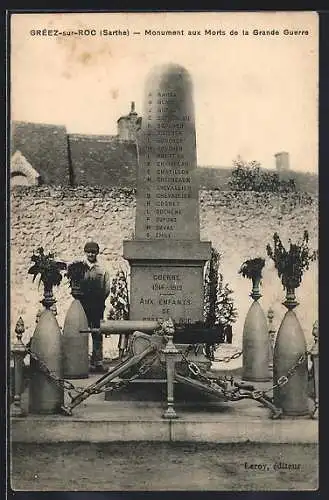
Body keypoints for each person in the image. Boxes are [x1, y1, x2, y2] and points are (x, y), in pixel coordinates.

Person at [79, 241, 111, 373]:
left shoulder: (102, 269)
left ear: (97, 253)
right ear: (85, 252)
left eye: (93, 252)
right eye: (89, 252)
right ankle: (81, 362)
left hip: (97, 305)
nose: (91, 254)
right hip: (83, 304)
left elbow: (107, 288)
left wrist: (99, 300)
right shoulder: (79, 268)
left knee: (97, 332)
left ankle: (97, 362)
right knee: (81, 331)